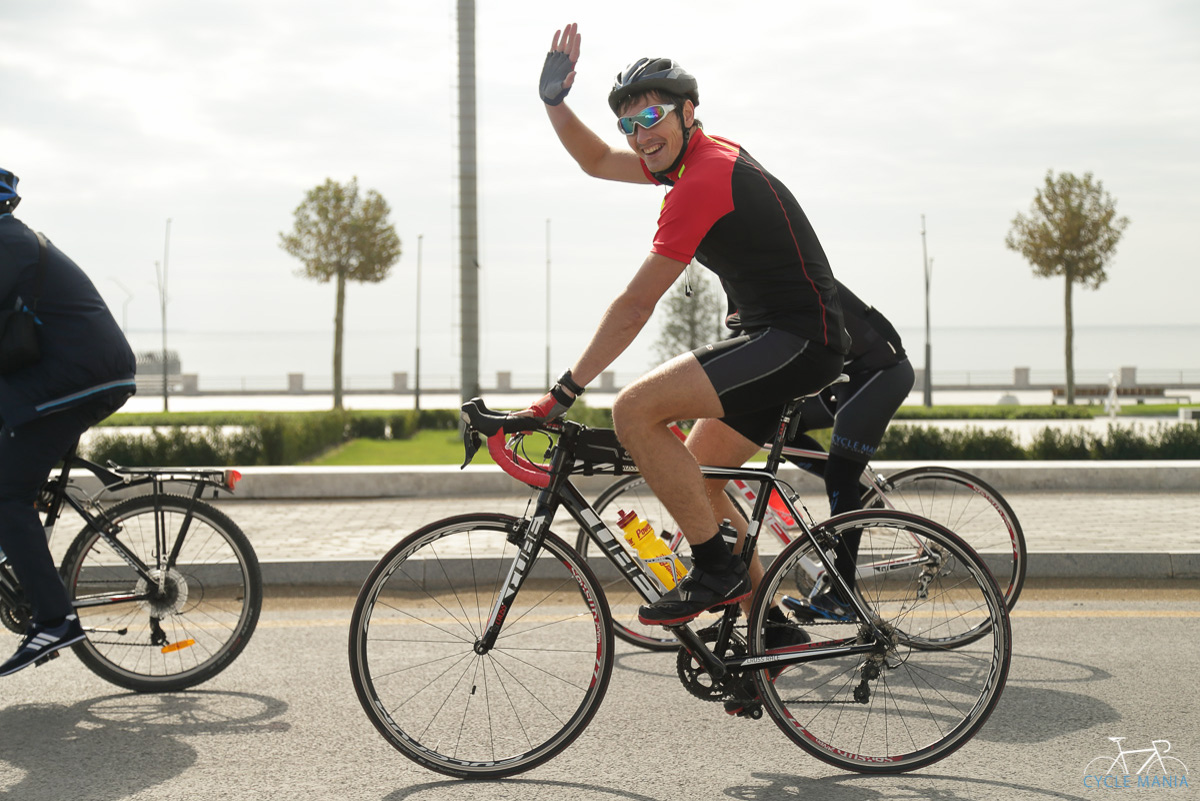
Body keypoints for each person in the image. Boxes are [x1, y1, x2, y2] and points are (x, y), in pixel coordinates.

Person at [527, 24, 849, 631]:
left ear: (687, 112)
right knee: (698, 479)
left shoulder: (702, 179)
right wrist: (554, 102)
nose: (641, 136)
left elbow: (634, 307)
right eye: (631, 125)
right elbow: (596, 160)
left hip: (796, 340)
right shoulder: (690, 160)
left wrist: (563, 392)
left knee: (633, 411)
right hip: (778, 339)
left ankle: (712, 568)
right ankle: (771, 628)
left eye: (651, 117)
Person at [0, 168, 137, 676]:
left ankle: (55, 618)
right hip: (65, 379)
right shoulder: (11, 240)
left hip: (77, 381)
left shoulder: (7, 245)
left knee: (6, 494)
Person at [711, 279, 914, 623]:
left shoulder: (773, 270)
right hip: (848, 373)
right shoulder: (745, 272)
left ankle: (843, 596)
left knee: (840, 475)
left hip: (881, 371)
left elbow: (749, 345)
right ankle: (859, 495)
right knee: (780, 428)